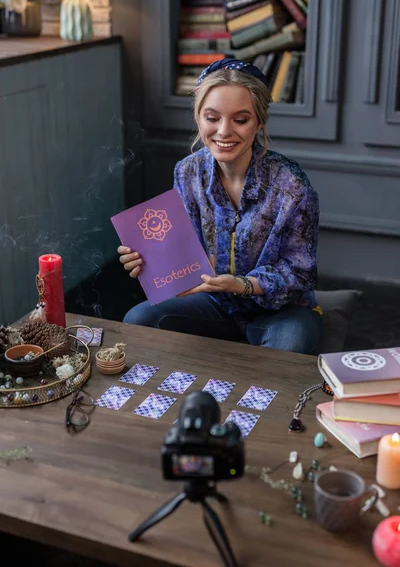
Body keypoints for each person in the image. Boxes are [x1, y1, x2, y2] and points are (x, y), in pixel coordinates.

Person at [119, 59, 322, 354]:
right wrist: (149, 259)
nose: (224, 132)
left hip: (281, 312)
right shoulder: (187, 172)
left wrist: (241, 284)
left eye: (240, 120)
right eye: (212, 118)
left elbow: (300, 273)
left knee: (289, 349)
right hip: (214, 303)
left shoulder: (292, 186)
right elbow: (183, 252)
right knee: (136, 319)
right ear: (198, 118)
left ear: (259, 121)